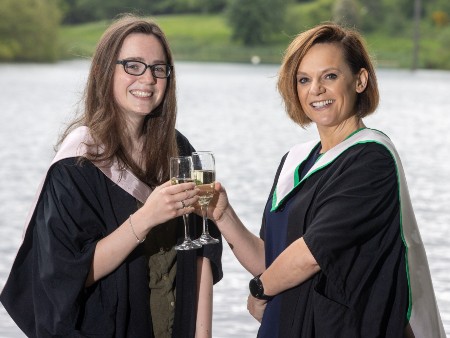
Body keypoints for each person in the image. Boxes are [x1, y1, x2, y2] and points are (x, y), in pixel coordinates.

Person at [208, 23, 445, 337]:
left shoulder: (370, 159)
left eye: (330, 76)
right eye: (304, 80)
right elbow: (272, 261)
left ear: (360, 80)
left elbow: (309, 255)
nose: (315, 90)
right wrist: (222, 214)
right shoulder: (296, 161)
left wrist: (259, 290)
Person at [0, 14, 222, 338]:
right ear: (106, 71)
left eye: (159, 68)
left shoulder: (181, 150)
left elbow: (203, 248)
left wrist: (203, 334)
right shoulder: (77, 163)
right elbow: (65, 274)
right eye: (133, 65)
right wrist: (145, 218)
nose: (147, 79)